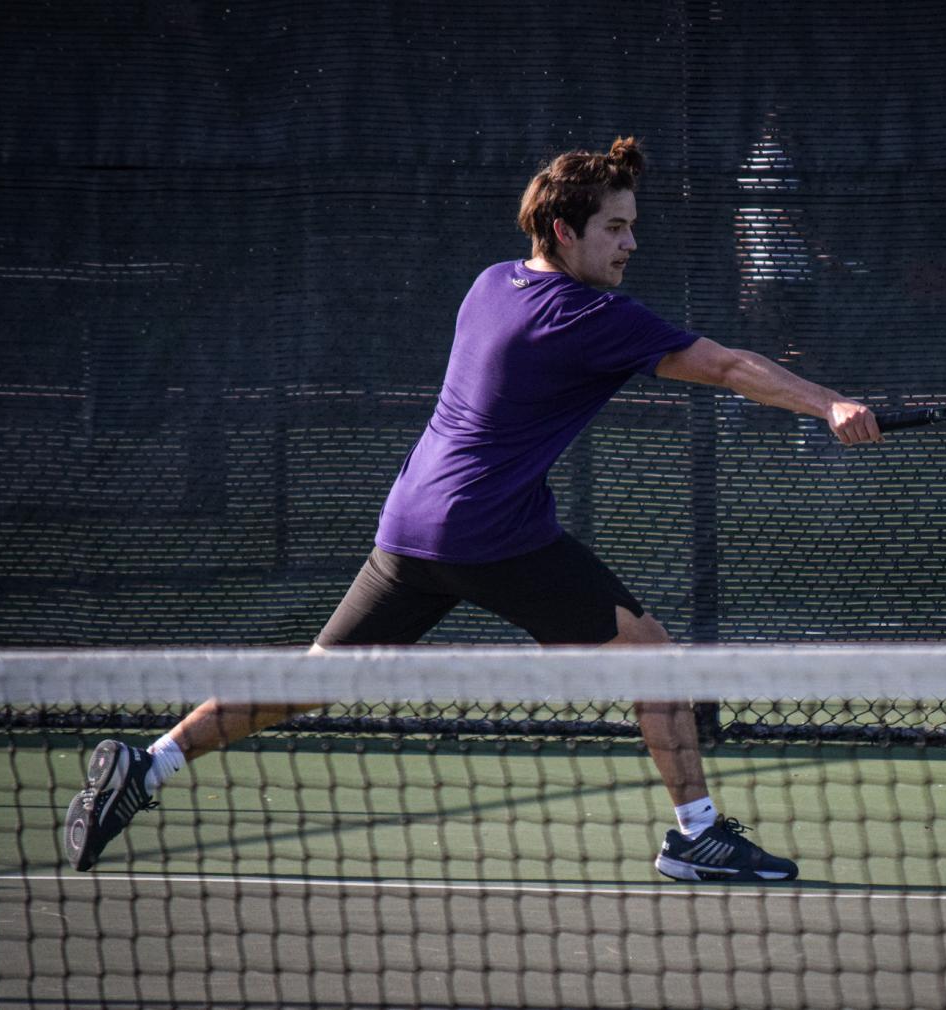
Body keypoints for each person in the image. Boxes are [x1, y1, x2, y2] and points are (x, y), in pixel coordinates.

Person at [63, 137, 882, 882]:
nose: (631, 244)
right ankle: (696, 836)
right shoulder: (588, 315)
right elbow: (731, 366)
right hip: (490, 533)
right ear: (565, 231)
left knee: (314, 679)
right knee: (653, 662)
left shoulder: (493, 282)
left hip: (411, 524)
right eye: (616, 228)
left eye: (632, 225)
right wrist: (829, 404)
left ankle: (152, 762)